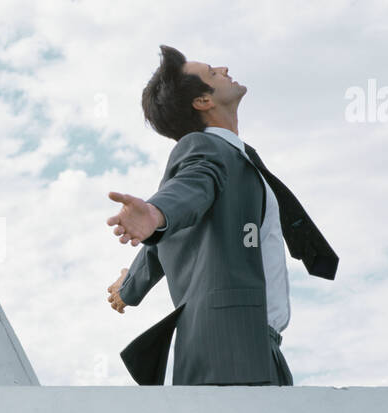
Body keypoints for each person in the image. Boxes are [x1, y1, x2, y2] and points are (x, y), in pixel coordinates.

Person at [104, 45, 338, 386]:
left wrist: (130, 285)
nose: (225, 69)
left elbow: (171, 237)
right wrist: (157, 212)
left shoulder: (237, 157)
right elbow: (190, 188)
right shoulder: (203, 148)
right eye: (213, 72)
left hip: (257, 348)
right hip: (228, 352)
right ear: (203, 101)